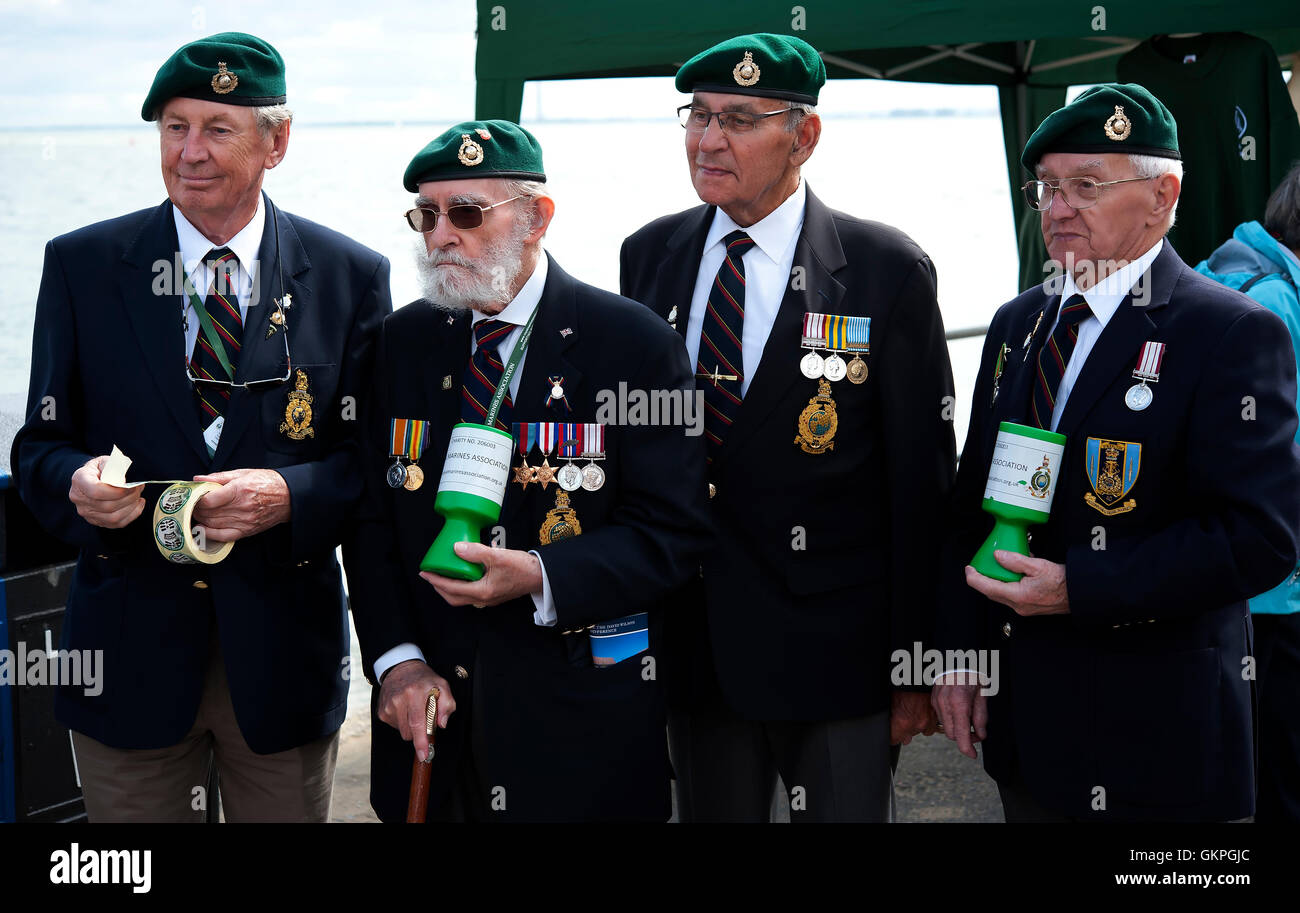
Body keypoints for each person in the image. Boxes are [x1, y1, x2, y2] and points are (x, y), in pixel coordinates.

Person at [10, 32, 391, 822]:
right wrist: (74, 481)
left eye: (218, 129)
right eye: (174, 127)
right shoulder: (82, 264)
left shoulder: (351, 275)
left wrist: (288, 493)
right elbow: (40, 445)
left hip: (283, 662)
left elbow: (370, 462)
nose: (190, 152)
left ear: (276, 142)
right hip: (127, 658)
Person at [932, 84, 1300, 821]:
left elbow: (1262, 538)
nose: (1059, 209)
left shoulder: (1229, 331)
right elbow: (974, 495)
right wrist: (959, 653)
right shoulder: (1019, 322)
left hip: (1158, 738)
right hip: (1029, 731)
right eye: (1047, 189)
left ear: (1162, 195)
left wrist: (1081, 586)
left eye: (1086, 186)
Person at [620, 33, 956, 822]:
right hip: (696, 649)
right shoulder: (650, 255)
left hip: (838, 654)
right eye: (696, 117)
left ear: (803, 135)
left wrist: (918, 663)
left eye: (738, 119)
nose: (707, 140)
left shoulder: (884, 269)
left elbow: (922, 482)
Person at [343, 120, 710, 822]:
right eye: (427, 215)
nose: (441, 234)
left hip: (579, 727)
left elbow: (674, 532)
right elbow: (369, 521)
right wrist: (396, 660)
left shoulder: (631, 343)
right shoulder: (400, 343)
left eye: (467, 213)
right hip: (433, 728)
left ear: (537, 216)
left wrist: (541, 574)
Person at [1196, 161, 1300, 824]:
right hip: (1273, 590)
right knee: (1279, 785)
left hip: (1229, 584)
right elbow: (1273, 458)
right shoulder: (1271, 299)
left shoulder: (1230, 269)